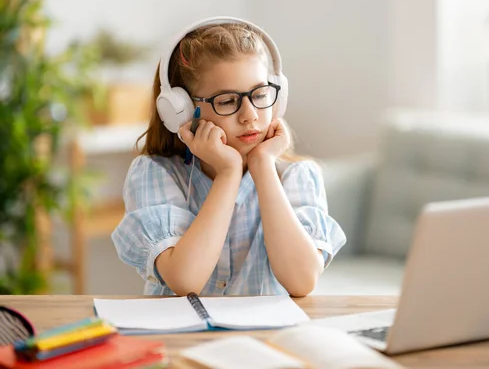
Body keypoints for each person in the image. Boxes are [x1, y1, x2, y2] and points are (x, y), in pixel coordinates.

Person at [111, 17, 346, 297]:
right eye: (227, 101)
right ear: (182, 110)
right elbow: (185, 281)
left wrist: (263, 166)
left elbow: (302, 280)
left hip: (262, 337)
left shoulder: (297, 176)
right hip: (181, 338)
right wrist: (228, 173)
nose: (250, 115)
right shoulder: (155, 174)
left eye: (260, 95)